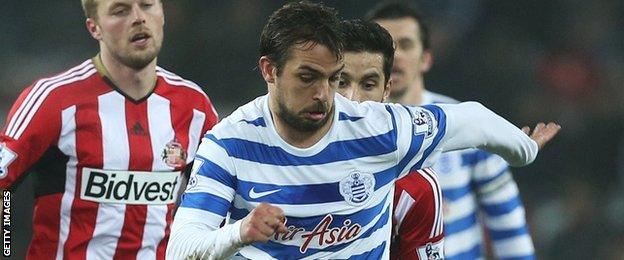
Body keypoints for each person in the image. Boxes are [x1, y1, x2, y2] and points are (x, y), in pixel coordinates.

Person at [166, 2, 559, 259]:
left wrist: (524, 149)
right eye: (307, 77)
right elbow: (181, 248)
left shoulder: (378, 129)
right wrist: (239, 232)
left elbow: (470, 118)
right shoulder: (229, 144)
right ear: (269, 70)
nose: (324, 94)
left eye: (332, 78)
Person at [0, 0, 218, 259]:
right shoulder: (52, 100)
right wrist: (6, 245)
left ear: (162, 14)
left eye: (147, 5)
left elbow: (219, 201)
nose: (138, 18)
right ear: (95, 28)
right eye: (120, 11)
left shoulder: (195, 107)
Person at [368, 2, 537, 259]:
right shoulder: (354, 130)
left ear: (426, 58)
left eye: (406, 45)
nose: (395, 56)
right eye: (385, 47)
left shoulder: (469, 123)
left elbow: (506, 219)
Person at [335, 19, 445, 260]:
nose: (353, 99)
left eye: (368, 84)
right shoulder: (263, 159)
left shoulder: (416, 185)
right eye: (341, 82)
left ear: (386, 91)